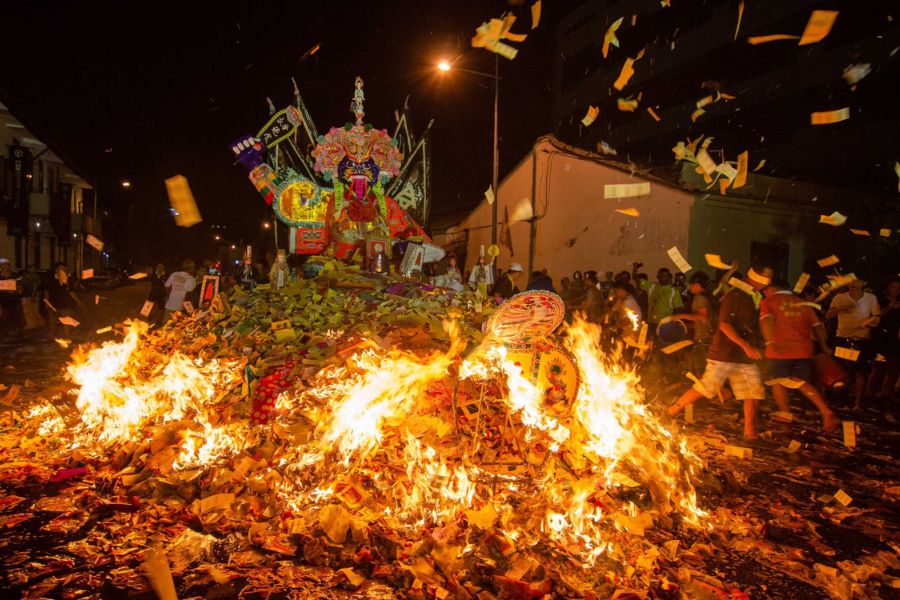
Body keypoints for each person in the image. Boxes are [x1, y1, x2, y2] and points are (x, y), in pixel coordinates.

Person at [668, 268, 771, 439]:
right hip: (724, 353)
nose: (768, 281)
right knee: (707, 387)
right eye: (766, 277)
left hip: (744, 357)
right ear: (755, 278)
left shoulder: (753, 296)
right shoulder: (735, 296)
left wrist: (756, 345)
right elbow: (724, 325)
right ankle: (671, 410)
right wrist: (745, 345)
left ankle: (750, 433)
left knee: (753, 392)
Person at [759, 278, 838, 431]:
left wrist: (769, 342)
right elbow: (818, 327)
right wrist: (824, 346)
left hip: (780, 349)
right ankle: (825, 410)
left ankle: (785, 413)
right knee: (800, 381)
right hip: (805, 349)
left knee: (777, 381)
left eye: (765, 289)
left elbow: (766, 321)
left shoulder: (768, 301)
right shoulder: (803, 303)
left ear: (771, 289)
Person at [826, 278, 880, 409]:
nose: (853, 284)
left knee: (860, 372)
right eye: (850, 281)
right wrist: (841, 308)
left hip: (861, 339)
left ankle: (857, 402)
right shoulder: (840, 297)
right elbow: (828, 315)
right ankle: (842, 399)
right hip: (843, 338)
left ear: (863, 283)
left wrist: (870, 322)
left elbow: (877, 316)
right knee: (844, 370)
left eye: (857, 281)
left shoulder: (870, 298)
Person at [672, 271, 716, 376]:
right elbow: (705, 320)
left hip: (703, 342)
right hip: (707, 340)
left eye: (691, 284)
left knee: (702, 374)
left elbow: (702, 316)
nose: (689, 287)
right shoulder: (708, 297)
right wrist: (688, 326)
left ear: (697, 285)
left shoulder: (700, 298)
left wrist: (679, 316)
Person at [867, 276, 900, 406]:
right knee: (878, 368)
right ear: (887, 288)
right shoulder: (878, 300)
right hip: (880, 338)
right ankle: (869, 394)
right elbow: (874, 318)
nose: (896, 290)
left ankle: (885, 395)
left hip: (895, 339)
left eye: (898, 288)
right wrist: (889, 308)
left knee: (894, 368)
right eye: (893, 287)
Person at [637, 266, 684, 333]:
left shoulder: (674, 291)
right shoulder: (652, 286)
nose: (662, 278)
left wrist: (673, 323)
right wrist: (635, 269)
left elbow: (678, 309)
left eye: (665, 276)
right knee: (650, 341)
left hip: (665, 324)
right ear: (657, 276)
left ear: (669, 277)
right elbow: (638, 280)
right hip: (651, 322)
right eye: (661, 275)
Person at [46, 263, 83, 337]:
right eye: (62, 268)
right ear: (56, 270)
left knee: (66, 322)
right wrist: (47, 303)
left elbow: (72, 293)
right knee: (52, 321)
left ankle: (67, 337)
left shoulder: (69, 279)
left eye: (65, 269)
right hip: (53, 304)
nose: (64, 270)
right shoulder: (51, 279)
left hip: (66, 305)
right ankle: (52, 335)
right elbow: (47, 291)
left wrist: (79, 303)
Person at [0, 258, 25, 340]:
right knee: (3, 319)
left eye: (7, 265)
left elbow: (20, 286)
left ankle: (22, 334)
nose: (5, 267)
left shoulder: (16, 275)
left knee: (19, 318)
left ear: (9, 266)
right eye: (3, 265)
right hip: (3, 301)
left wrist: (18, 292)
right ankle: (3, 334)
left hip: (15, 300)